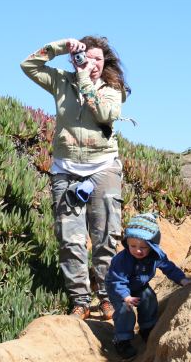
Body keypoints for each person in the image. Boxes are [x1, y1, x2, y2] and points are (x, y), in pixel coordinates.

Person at [20, 36, 129, 320]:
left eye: (98, 59)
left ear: (105, 63)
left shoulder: (113, 88)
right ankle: (80, 301)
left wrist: (84, 80)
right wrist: (60, 47)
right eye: (86, 57)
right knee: (70, 239)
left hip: (103, 168)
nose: (92, 64)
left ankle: (106, 297)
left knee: (105, 237)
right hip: (66, 170)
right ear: (75, 59)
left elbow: (104, 114)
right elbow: (28, 65)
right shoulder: (61, 81)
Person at [105, 213, 191, 359]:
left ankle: (147, 328)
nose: (138, 250)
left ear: (152, 245)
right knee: (125, 310)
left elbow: (169, 267)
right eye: (133, 246)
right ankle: (122, 340)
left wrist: (182, 280)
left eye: (143, 247)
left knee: (149, 298)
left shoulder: (156, 255)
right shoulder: (122, 260)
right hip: (118, 287)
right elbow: (118, 281)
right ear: (127, 243)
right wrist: (126, 297)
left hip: (139, 285)